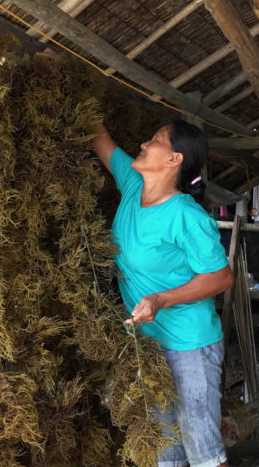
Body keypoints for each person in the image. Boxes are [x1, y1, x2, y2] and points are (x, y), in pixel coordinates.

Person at [92, 118, 234, 467]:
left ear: (174, 160)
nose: (143, 144)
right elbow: (99, 135)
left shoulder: (185, 215)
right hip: (150, 345)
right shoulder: (130, 184)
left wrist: (162, 299)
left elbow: (221, 278)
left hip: (190, 346)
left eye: (155, 140)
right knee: (162, 452)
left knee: (203, 453)